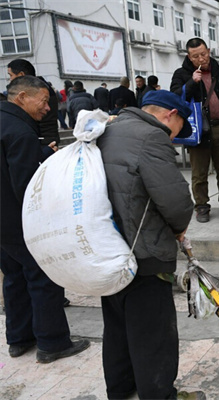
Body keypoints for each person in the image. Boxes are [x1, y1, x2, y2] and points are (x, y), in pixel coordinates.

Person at [96, 90, 201, 399]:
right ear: (171, 115)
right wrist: (180, 229)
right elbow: (176, 201)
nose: (177, 135)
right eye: (181, 125)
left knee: (117, 328)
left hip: (108, 247)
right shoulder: (151, 137)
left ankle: (121, 389)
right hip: (143, 252)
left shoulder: (109, 129)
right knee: (153, 334)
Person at [1, 75, 90, 363]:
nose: (48, 108)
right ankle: (52, 343)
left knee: (14, 278)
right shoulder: (20, 132)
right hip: (18, 223)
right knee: (43, 277)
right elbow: (27, 188)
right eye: (43, 101)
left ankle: (19, 338)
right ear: (22, 97)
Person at [170, 37, 219, 223]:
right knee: (199, 172)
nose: (201, 59)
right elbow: (175, 97)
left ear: (208, 51)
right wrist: (191, 82)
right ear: (189, 56)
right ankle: (201, 206)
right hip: (198, 130)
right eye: (196, 56)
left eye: (203, 54)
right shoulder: (181, 74)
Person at [7, 59, 60, 146]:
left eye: (11, 75)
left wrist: (46, 149)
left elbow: (47, 124)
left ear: (21, 75)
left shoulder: (41, 92)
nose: (10, 79)